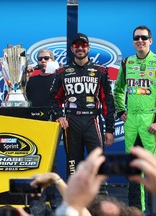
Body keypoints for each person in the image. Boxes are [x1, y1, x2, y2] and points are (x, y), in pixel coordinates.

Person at [114, 25, 156, 212]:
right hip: (132, 122)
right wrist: (120, 110)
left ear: (150, 40)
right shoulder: (126, 63)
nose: (140, 41)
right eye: (136, 38)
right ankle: (135, 212)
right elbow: (117, 90)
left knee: (154, 171)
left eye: (143, 37)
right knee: (133, 171)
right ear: (133, 41)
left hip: (152, 121)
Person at [49, 32, 115, 176]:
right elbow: (54, 97)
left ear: (89, 48)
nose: (80, 48)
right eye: (76, 45)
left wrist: (110, 129)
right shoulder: (62, 72)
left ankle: (98, 195)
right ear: (72, 49)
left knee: (97, 161)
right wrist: (59, 116)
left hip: (93, 120)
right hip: (71, 121)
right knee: (73, 165)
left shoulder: (101, 71)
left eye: (83, 45)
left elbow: (107, 101)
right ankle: (74, 197)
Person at [26, 49, 62, 210]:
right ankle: (34, 198)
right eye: (40, 59)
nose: (43, 61)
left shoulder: (58, 78)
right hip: (34, 123)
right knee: (33, 161)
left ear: (52, 60)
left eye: (47, 58)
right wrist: (24, 79)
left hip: (53, 122)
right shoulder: (32, 80)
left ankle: (52, 197)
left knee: (51, 162)